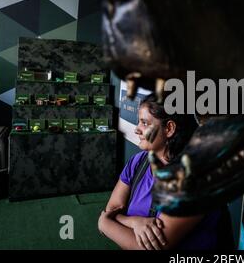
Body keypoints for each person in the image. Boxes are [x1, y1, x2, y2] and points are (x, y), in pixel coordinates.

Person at [98, 94, 233, 250]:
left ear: (169, 128)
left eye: (144, 123)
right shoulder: (138, 162)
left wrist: (104, 222)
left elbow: (150, 247)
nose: (137, 129)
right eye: (138, 122)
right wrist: (135, 222)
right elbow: (111, 208)